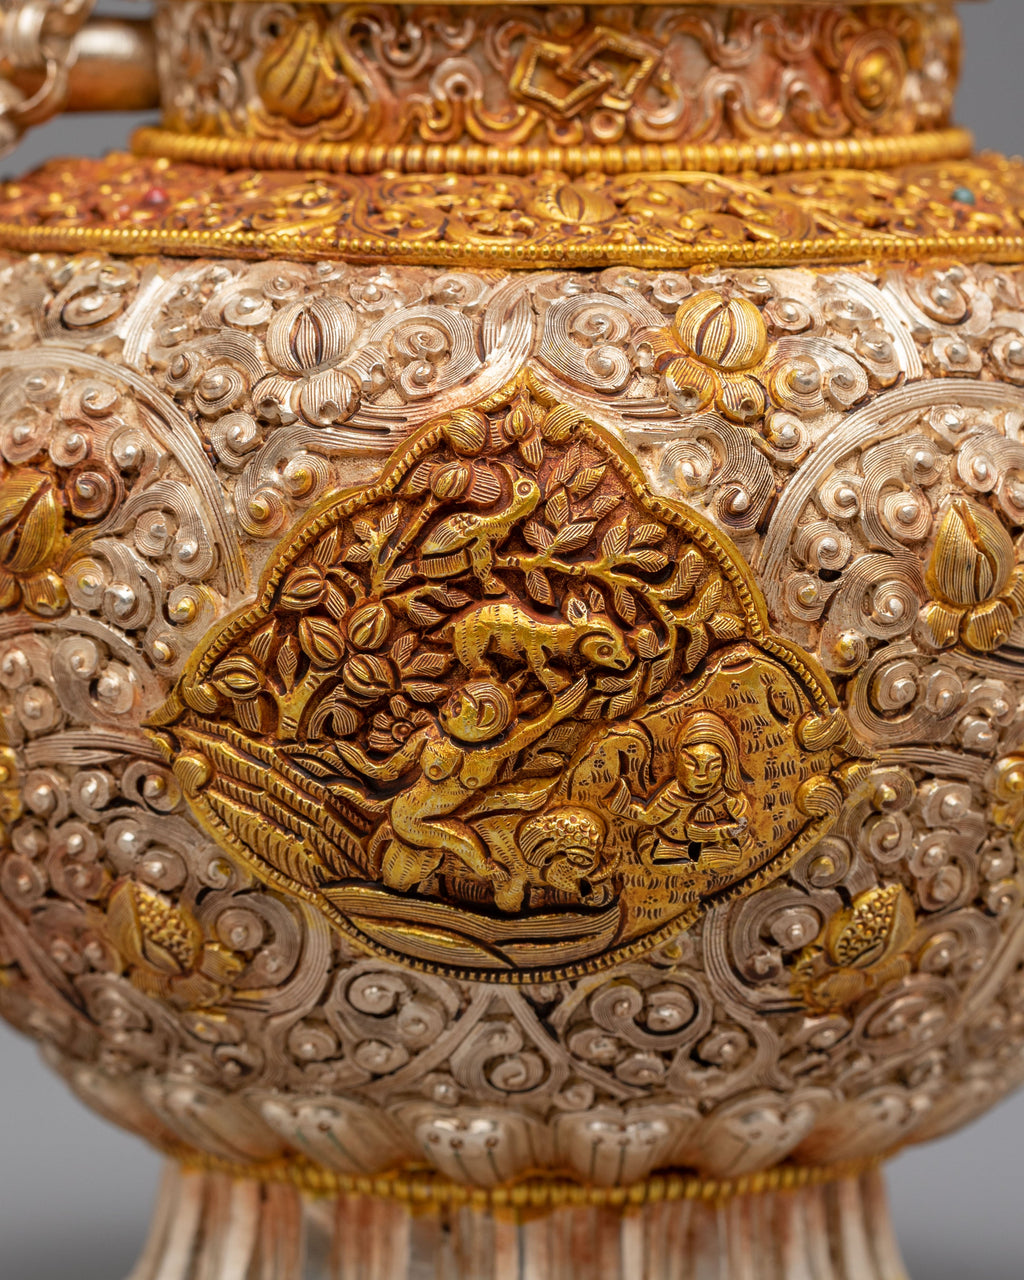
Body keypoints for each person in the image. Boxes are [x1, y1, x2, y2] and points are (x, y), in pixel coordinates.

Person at [334, 676, 588, 892]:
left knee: (456, 844)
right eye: (452, 700)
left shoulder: (489, 754)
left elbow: (526, 734)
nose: (446, 709)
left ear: (484, 724)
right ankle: (486, 869)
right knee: (461, 841)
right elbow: (388, 770)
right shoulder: (429, 738)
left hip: (425, 820)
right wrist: (354, 758)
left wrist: (557, 712)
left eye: (458, 709)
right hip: (409, 818)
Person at [609, 711, 750, 874]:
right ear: (677, 762)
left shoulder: (726, 797)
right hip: (674, 843)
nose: (701, 775)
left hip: (713, 846)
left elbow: (743, 823)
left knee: (732, 852)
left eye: (714, 766)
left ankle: (702, 863)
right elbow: (651, 816)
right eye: (691, 764)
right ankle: (692, 864)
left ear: (725, 766)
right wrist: (626, 809)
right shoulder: (674, 795)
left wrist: (712, 833)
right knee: (659, 856)